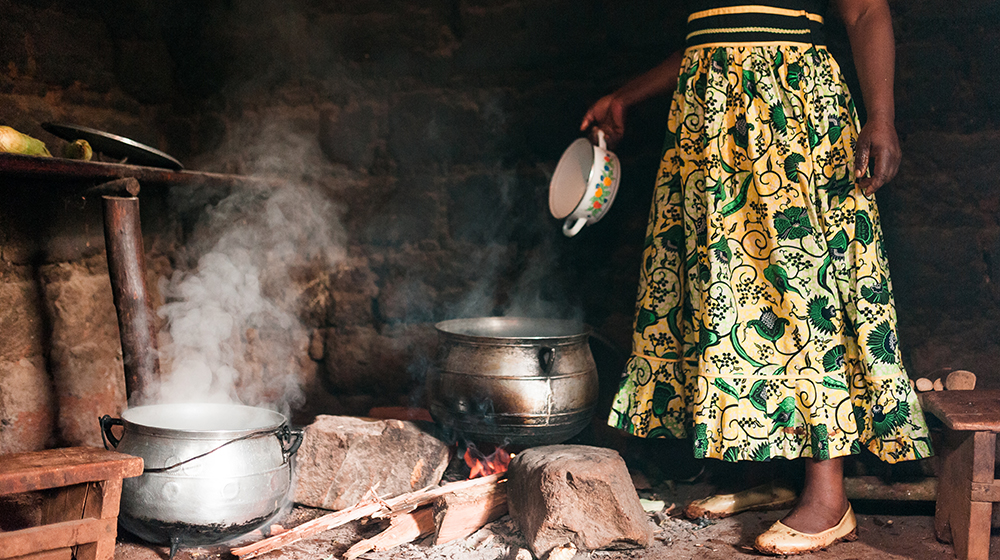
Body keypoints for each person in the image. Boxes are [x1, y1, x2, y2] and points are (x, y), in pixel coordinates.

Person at [581, 0, 932, 555]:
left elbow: (866, 10)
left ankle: (829, 495)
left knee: (805, 290)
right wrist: (627, 95)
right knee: (731, 292)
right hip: (710, 125)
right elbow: (715, 33)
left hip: (786, 111)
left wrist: (881, 117)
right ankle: (769, 474)